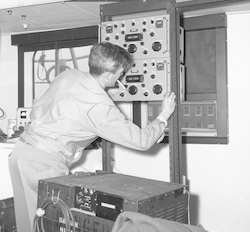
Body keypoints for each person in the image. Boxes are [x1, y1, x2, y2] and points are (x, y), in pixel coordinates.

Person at [8, 42, 176, 232]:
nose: (121, 77)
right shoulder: (100, 106)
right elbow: (142, 141)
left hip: (21, 152)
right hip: (42, 163)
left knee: (27, 223)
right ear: (107, 74)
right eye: (120, 73)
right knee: (52, 224)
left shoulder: (69, 75)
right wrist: (163, 115)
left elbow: (66, 116)